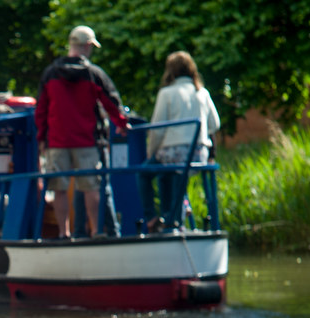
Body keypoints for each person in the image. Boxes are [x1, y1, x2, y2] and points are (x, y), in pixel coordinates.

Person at [35, 25, 129, 238]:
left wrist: (41, 137)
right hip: (87, 140)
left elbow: (41, 109)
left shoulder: (51, 73)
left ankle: (63, 233)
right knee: (91, 187)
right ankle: (96, 231)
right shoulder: (93, 74)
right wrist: (122, 123)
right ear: (87, 46)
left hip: (57, 141)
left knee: (59, 187)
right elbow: (110, 101)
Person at [140, 51, 220, 231]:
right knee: (170, 174)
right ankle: (175, 216)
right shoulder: (203, 93)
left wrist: (151, 151)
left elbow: (157, 129)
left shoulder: (166, 93)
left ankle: (154, 218)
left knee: (144, 173)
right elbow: (215, 124)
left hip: (172, 154)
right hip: (197, 153)